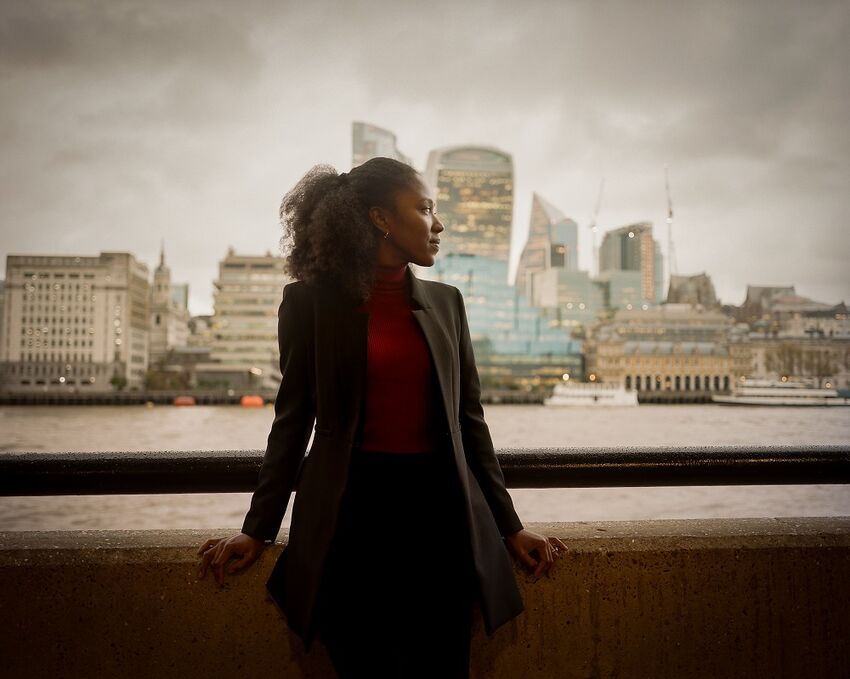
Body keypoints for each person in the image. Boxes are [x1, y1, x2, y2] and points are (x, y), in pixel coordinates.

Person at [197, 157, 567, 678]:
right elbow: (292, 420)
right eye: (425, 209)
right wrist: (257, 531)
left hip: (440, 524)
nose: (438, 225)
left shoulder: (448, 303)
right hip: (351, 525)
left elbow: (470, 425)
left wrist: (512, 527)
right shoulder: (308, 304)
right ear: (380, 219)